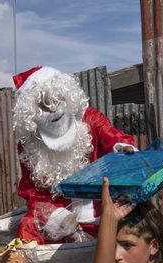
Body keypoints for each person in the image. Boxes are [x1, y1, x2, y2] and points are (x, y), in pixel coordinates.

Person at [12, 66, 137, 244]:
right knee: (28, 226)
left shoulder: (90, 119)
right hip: (61, 215)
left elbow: (114, 137)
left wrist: (123, 148)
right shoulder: (29, 145)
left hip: (103, 207)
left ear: (67, 95)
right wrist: (58, 217)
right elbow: (31, 191)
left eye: (57, 99)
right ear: (31, 112)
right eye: (44, 105)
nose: (53, 108)